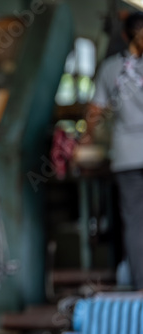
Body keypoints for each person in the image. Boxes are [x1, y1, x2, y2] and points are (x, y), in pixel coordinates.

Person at [83, 11, 143, 290]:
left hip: (126, 156)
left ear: (122, 35)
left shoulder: (110, 68)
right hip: (129, 156)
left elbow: (94, 111)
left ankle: (141, 287)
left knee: (134, 222)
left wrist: (87, 138)